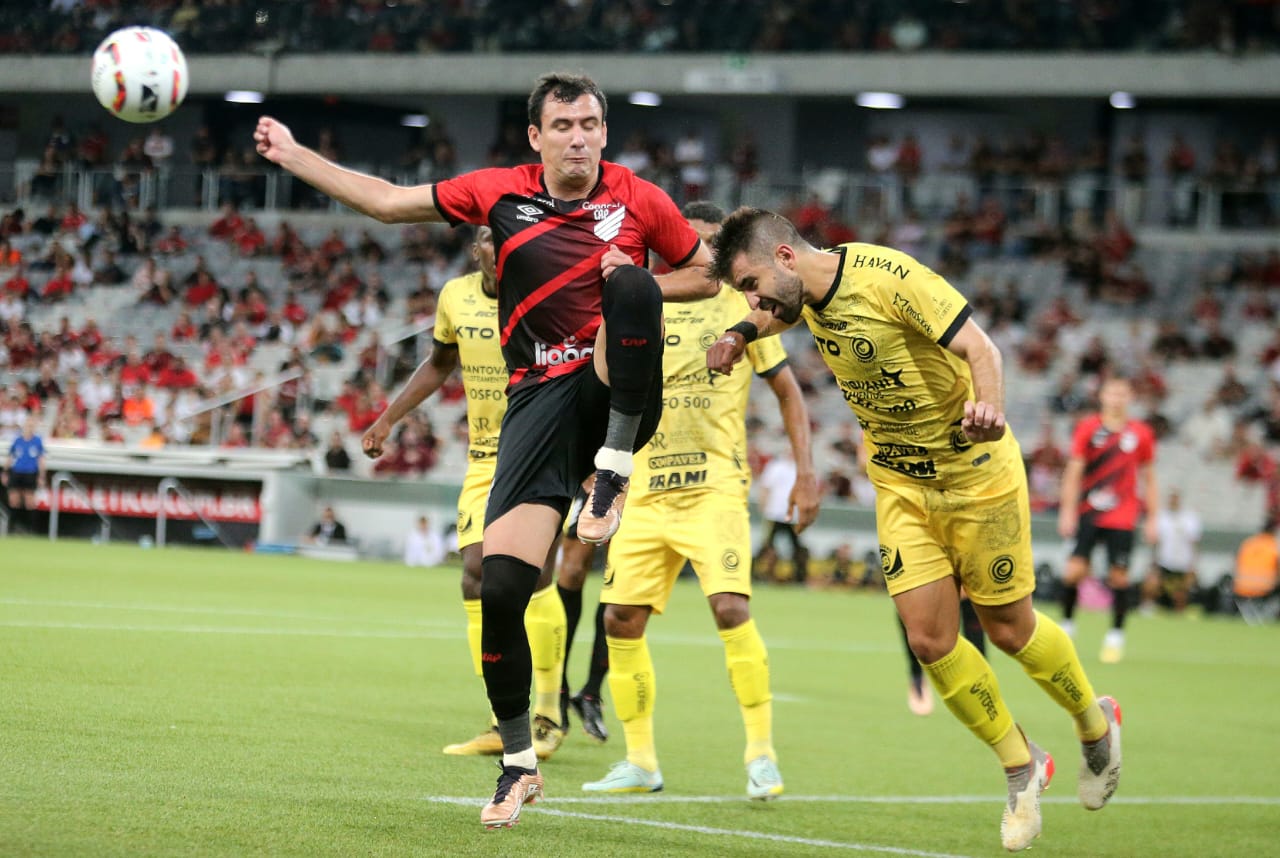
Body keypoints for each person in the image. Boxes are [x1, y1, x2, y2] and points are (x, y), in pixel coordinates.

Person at [259, 72, 716, 830]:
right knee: (501, 586)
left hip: (614, 386)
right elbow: (384, 200)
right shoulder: (498, 191)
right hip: (534, 400)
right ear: (536, 137)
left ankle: (612, 471)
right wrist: (299, 155)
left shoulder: (641, 198)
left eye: (591, 123)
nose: (578, 136)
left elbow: (704, 271)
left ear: (605, 133)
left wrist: (637, 281)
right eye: (563, 124)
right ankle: (517, 765)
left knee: (634, 288)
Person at [705, 207, 1120, 852]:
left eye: (751, 284)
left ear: (785, 258)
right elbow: (769, 314)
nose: (752, 301)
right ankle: (1022, 764)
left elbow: (982, 347)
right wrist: (736, 332)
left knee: (1009, 629)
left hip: (976, 475)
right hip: (901, 483)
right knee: (928, 639)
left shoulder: (887, 277)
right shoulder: (795, 295)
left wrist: (990, 409)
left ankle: (1096, 724)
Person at [583, 201, 819, 799]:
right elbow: (604, 387)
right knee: (619, 618)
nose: (708, 256)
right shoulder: (645, 302)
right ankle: (641, 762)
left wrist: (804, 473)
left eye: (717, 245)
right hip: (645, 486)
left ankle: (762, 755)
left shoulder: (747, 306)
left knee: (731, 610)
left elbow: (789, 395)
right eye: (698, 244)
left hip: (713, 487)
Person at [360, 227, 569, 761]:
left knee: (534, 576)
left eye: (506, 238)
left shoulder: (547, 289)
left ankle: (547, 715)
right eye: (486, 239)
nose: (497, 247)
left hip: (544, 449)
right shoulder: (454, 296)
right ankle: (506, 718)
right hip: (484, 459)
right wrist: (388, 419)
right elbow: (439, 364)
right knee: (476, 574)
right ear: (476, 250)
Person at [1058, 374, 1158, 663]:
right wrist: (1067, 511)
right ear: (1102, 396)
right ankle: (1067, 626)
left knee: (1119, 576)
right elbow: (1074, 471)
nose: (1117, 399)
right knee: (1073, 572)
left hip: (1123, 516)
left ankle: (1115, 636)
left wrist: (1152, 518)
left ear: (1130, 398)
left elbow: (1149, 478)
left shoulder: (1141, 433)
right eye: (1112, 393)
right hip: (1089, 512)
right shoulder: (1088, 428)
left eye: (1122, 394)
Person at [554, 486, 611, 743]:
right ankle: (559, 688)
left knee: (620, 583)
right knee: (572, 572)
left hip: (641, 487)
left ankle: (591, 694)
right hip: (597, 477)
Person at [1141, 489, 1202, 613]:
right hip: (1164, 561)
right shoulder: (1160, 517)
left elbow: (1194, 544)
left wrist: (1193, 564)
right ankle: (1147, 609)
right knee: (1151, 584)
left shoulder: (1190, 518)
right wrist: (1153, 563)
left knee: (1181, 593)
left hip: (1182, 563)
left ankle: (1179, 614)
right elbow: (1156, 543)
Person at [755, 448, 809, 582]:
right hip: (775, 513)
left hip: (794, 516)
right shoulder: (775, 467)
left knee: (797, 548)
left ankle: (799, 577)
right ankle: (757, 573)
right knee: (767, 546)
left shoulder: (802, 469)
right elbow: (765, 487)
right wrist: (763, 506)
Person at [4, 416, 45, 533]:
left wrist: (41, 476)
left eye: (32, 426)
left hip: (30, 473)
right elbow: (10, 457)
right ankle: (11, 528)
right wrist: (5, 472)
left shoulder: (37, 441)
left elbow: (41, 459)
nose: (29, 428)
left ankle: (30, 529)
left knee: (29, 501)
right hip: (16, 472)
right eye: (28, 425)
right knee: (13, 500)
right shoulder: (17, 440)